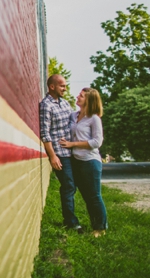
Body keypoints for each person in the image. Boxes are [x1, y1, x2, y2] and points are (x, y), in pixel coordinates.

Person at [60, 88, 108, 237]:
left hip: (90, 161)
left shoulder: (94, 118)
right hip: (76, 161)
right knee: (86, 196)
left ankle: (100, 228)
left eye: (81, 96)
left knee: (94, 196)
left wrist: (72, 144)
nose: (77, 97)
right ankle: (93, 223)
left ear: (89, 100)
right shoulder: (74, 115)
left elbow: (97, 142)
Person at [40, 74, 82, 232]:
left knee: (72, 185)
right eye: (62, 86)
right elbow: (45, 133)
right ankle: (71, 222)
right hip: (60, 153)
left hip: (72, 152)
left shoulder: (65, 103)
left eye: (65, 85)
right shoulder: (46, 105)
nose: (65, 88)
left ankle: (70, 218)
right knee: (68, 185)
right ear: (52, 87)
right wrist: (52, 156)